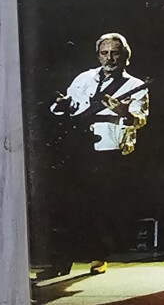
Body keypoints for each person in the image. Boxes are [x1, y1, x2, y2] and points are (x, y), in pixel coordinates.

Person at [44, 33, 149, 275]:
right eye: (104, 53)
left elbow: (140, 119)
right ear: (98, 55)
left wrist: (124, 112)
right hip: (78, 147)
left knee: (99, 205)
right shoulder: (83, 78)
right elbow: (66, 106)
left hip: (109, 149)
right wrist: (60, 105)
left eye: (115, 53)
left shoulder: (135, 85)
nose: (109, 58)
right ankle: (61, 261)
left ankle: (98, 256)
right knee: (69, 204)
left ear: (125, 56)